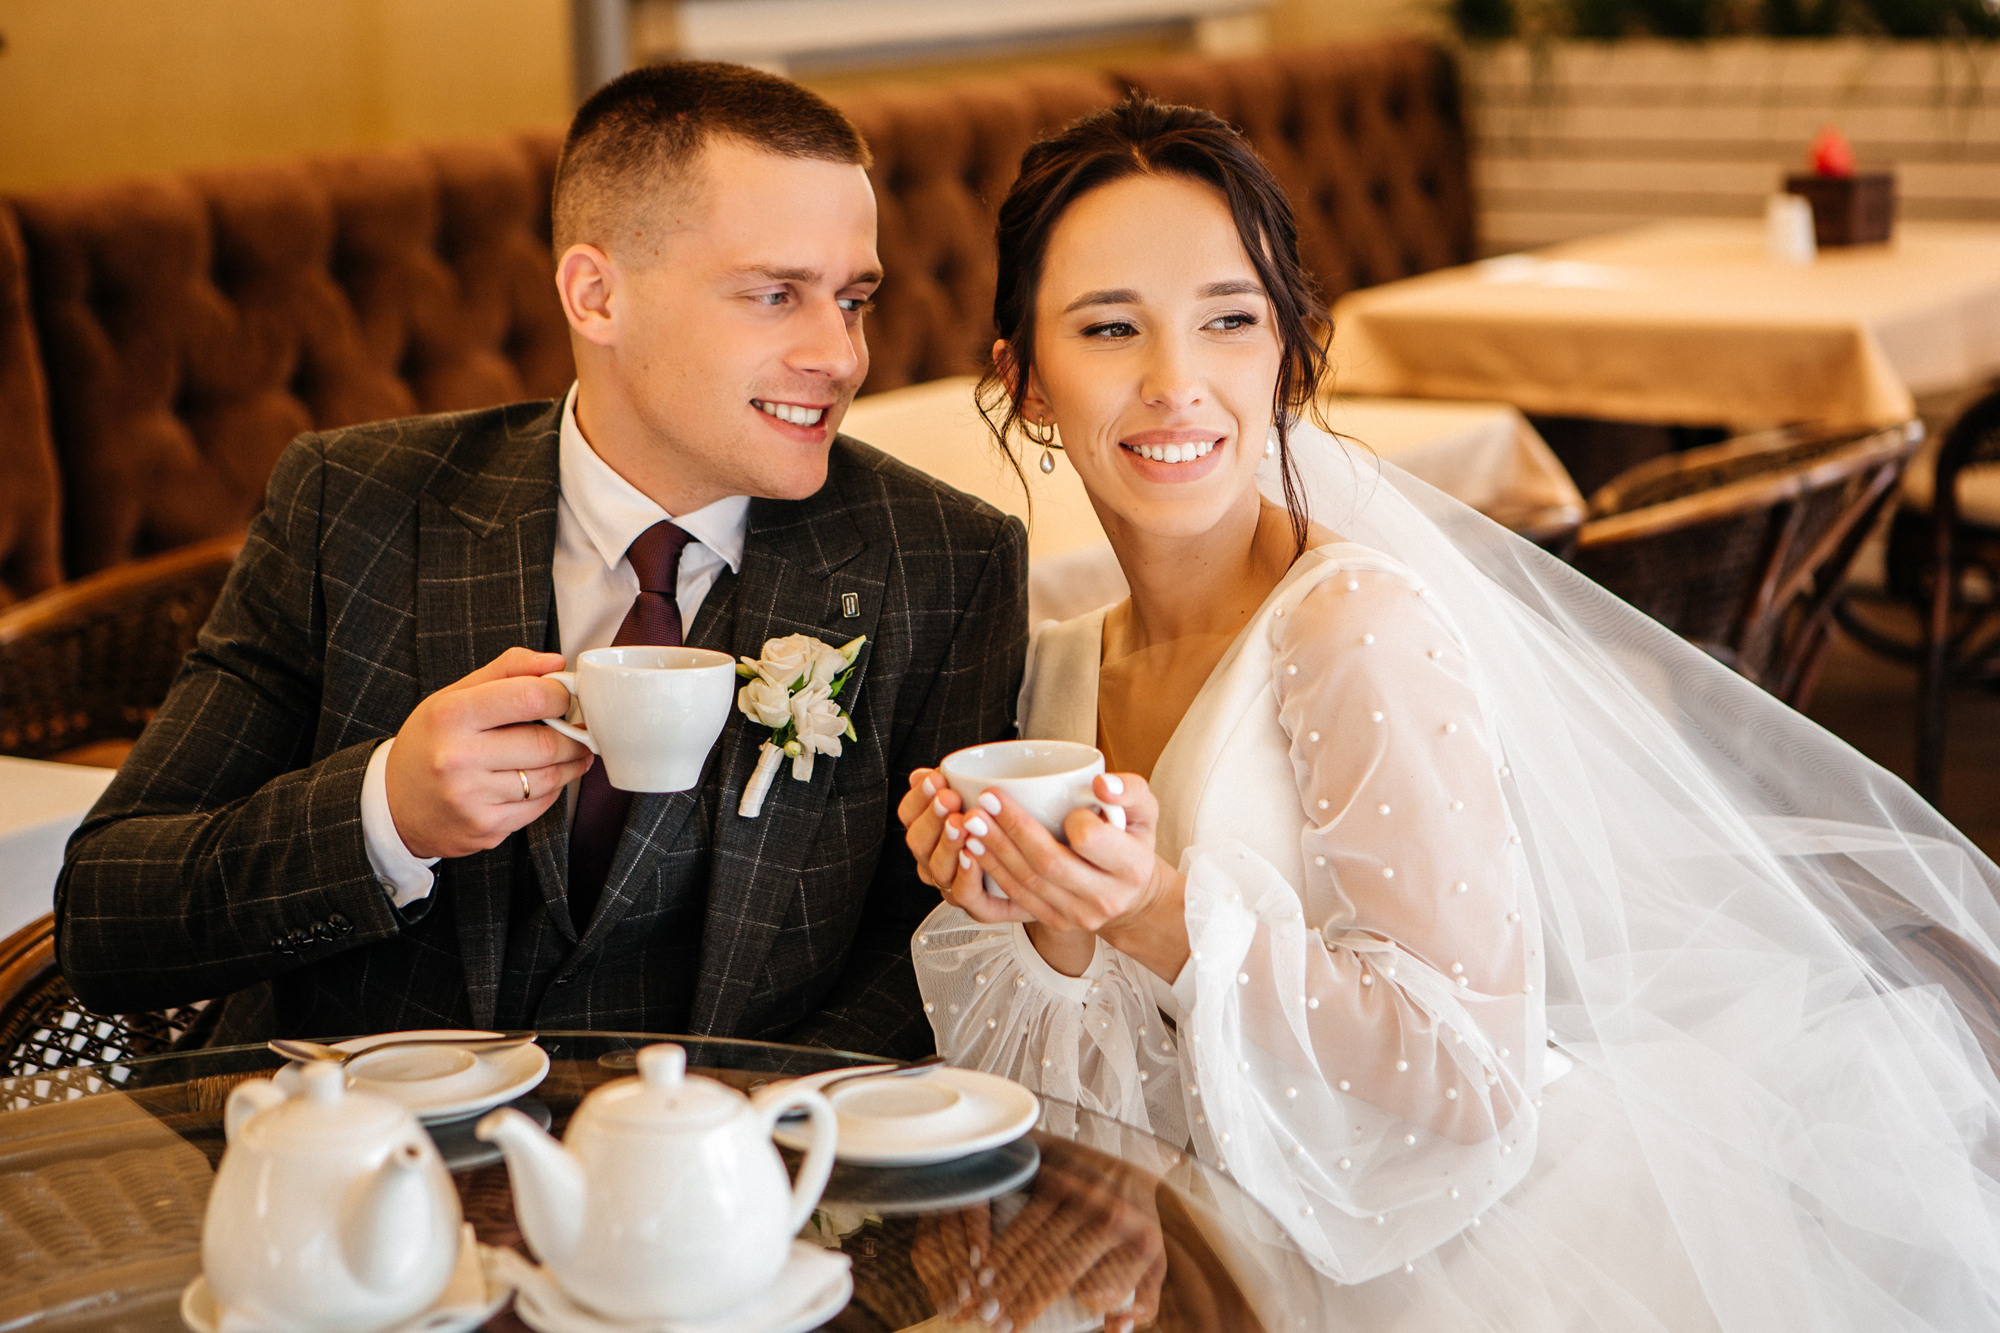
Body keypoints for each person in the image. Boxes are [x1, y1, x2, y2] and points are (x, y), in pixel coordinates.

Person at [900, 96, 2000, 1328]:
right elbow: (1084, 1116)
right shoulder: (1053, 674)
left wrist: (1152, 908)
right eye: (1109, 327)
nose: (1175, 383)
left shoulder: (1348, 629)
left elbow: (1469, 1074)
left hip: (1445, 1261)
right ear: (1023, 379)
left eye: (1229, 320)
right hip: (1191, 1256)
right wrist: (1044, 920)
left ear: (1286, 356)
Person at [56, 62, 1027, 1057]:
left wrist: (726, 1151)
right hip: (356, 1172)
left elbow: (932, 950)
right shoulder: (350, 504)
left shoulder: (943, 563)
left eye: (853, 299)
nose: (841, 355)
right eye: (776, 295)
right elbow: (109, 916)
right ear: (595, 295)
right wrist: (389, 812)